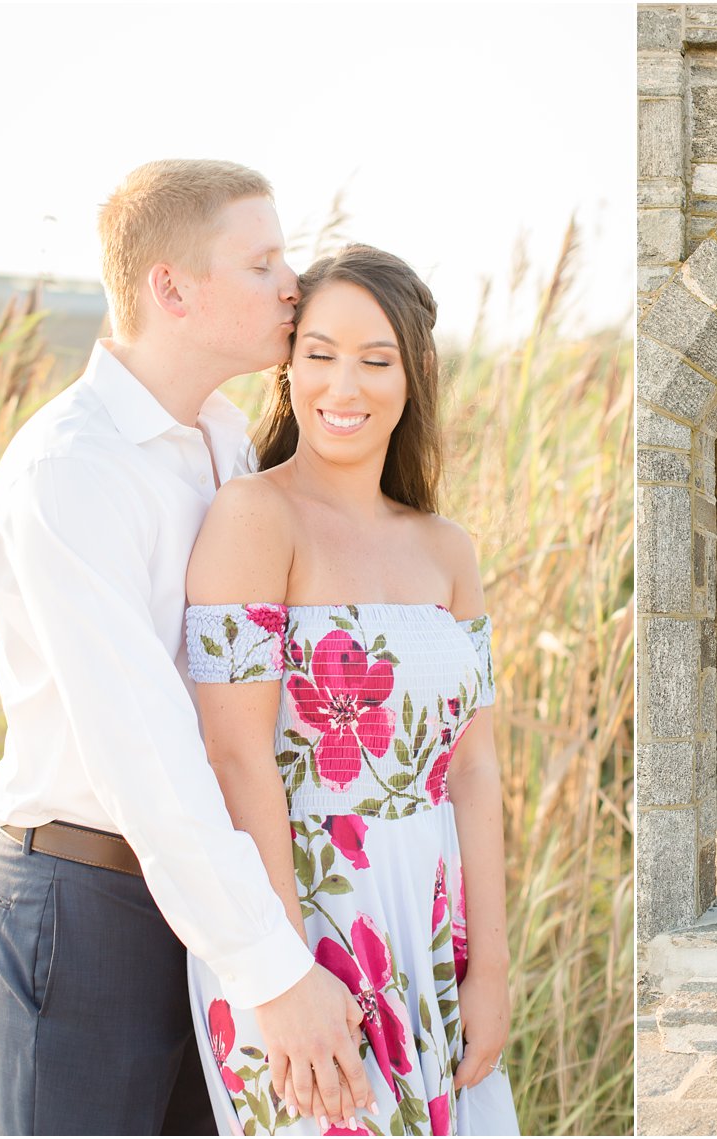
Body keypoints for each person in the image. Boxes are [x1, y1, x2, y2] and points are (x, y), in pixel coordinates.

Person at [0, 160, 370, 1135]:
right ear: (172, 288)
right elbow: (143, 748)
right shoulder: (76, 471)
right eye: (263, 259)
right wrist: (272, 968)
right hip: (83, 898)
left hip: (202, 886)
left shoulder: (224, 441)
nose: (293, 284)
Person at [181, 245, 519, 1136]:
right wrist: (284, 970)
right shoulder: (255, 516)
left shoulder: (448, 548)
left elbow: (475, 767)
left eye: (376, 360)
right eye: (321, 352)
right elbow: (235, 754)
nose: (345, 385)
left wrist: (490, 966)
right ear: (289, 364)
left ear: (414, 377)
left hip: (431, 924)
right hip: (304, 917)